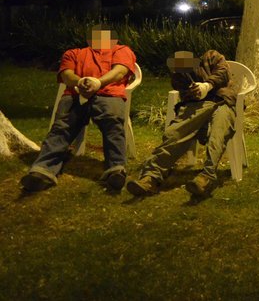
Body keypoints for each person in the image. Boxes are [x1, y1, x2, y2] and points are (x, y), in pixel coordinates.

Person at [20, 27, 136, 192]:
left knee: (112, 123)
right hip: (75, 94)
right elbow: (66, 75)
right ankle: (43, 171)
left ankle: (116, 169)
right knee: (62, 127)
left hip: (108, 95)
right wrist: (80, 82)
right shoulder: (73, 53)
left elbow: (119, 72)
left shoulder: (122, 50)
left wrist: (98, 83)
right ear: (89, 39)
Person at [126, 50, 239, 198]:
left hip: (223, 102)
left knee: (218, 132)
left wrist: (207, 86)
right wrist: (195, 91)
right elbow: (183, 93)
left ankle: (207, 177)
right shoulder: (180, 76)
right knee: (174, 134)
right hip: (197, 106)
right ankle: (150, 177)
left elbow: (223, 73)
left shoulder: (211, 57)